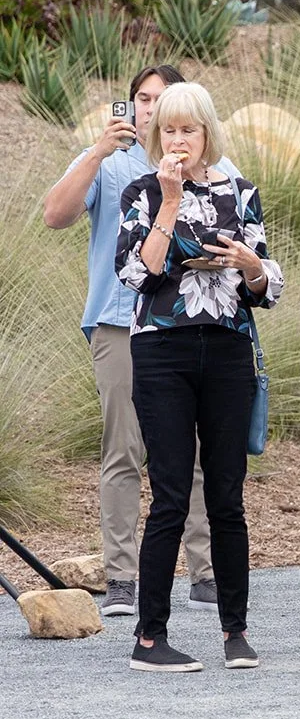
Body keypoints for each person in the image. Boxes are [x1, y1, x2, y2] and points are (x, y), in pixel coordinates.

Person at [41, 65, 229, 619]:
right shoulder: (111, 160)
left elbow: (241, 222)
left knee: (191, 450)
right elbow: (55, 215)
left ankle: (205, 571)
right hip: (120, 323)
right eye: (142, 100)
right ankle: (122, 576)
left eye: (162, 100)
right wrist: (96, 152)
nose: (151, 110)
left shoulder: (211, 166)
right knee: (123, 448)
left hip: (186, 325)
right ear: (132, 109)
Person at [114, 82, 283, 672]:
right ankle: (150, 637)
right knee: (168, 495)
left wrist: (252, 266)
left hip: (229, 350)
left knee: (226, 495)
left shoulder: (242, 192)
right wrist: (168, 199)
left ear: (208, 132)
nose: (178, 140)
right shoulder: (141, 191)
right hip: (162, 350)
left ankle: (235, 630)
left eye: (189, 129)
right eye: (168, 129)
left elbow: (267, 289)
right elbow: (138, 274)